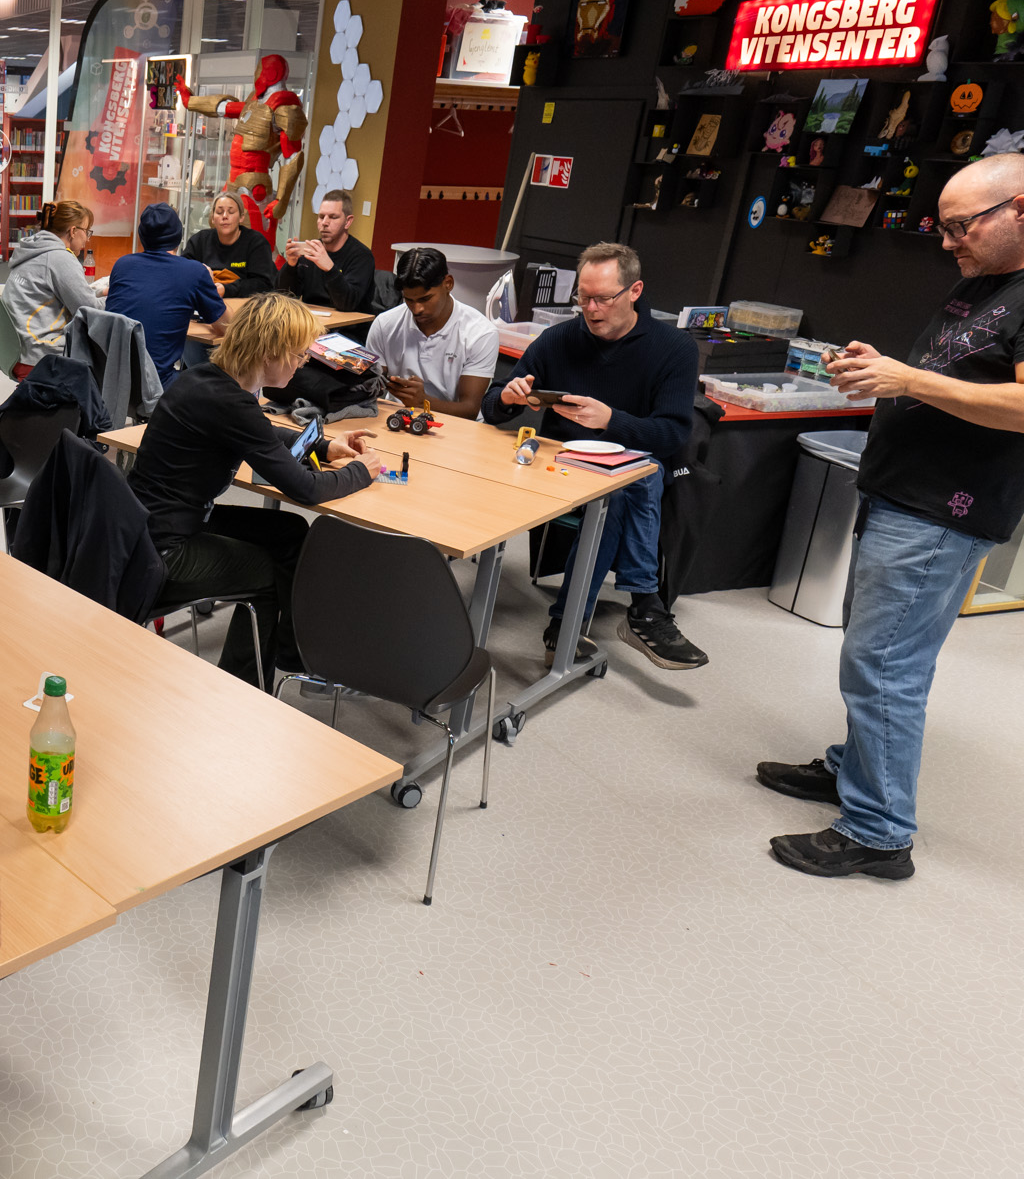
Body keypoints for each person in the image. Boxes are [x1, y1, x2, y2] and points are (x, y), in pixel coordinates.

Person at [757, 154, 1024, 880]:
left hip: (942, 512)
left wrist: (909, 379)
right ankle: (853, 769)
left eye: (962, 226)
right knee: (876, 654)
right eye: (944, 227)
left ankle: (878, 831)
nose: (948, 241)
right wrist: (886, 370)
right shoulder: (986, 281)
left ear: (1019, 208)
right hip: (902, 494)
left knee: (884, 665)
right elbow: (954, 379)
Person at [129, 294, 381, 689]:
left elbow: (259, 432)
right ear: (268, 353)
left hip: (151, 523)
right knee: (266, 575)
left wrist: (323, 445)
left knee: (289, 532)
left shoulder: (206, 379)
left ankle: (292, 652)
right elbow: (306, 488)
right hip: (162, 550)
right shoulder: (230, 402)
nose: (302, 364)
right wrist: (359, 472)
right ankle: (243, 690)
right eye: (298, 355)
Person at [482, 241, 707, 670]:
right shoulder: (558, 339)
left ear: (634, 291)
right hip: (557, 466)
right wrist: (509, 398)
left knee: (625, 486)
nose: (590, 309)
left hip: (628, 472)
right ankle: (645, 606)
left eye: (602, 298)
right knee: (628, 486)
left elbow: (673, 435)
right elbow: (492, 407)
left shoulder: (674, 348)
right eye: (582, 298)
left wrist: (610, 421)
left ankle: (566, 623)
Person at [368, 246, 500, 420]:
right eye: (409, 300)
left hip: (456, 425)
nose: (417, 309)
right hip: (397, 416)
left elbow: (470, 410)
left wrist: (423, 401)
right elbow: (371, 384)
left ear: (448, 284)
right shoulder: (385, 324)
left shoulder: (480, 333)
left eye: (425, 299)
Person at [105, 203, 230, 384]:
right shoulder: (194, 272)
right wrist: (210, 285)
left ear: (142, 236)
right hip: (156, 385)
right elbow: (226, 327)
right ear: (179, 236)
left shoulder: (122, 265)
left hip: (112, 383)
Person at [3, 199, 100, 365]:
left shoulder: (33, 249)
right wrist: (117, 296)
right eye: (86, 231)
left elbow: (69, 293)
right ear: (73, 231)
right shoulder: (60, 258)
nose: (87, 239)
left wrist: (99, 292)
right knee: (105, 352)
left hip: (17, 349)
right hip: (42, 354)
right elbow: (90, 309)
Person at [275, 190, 377, 312]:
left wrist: (329, 268)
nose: (324, 223)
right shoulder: (311, 250)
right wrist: (291, 266)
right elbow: (283, 297)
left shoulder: (362, 256)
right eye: (321, 217)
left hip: (349, 322)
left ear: (348, 222)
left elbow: (347, 304)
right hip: (313, 320)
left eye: (333, 217)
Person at [183, 192, 277, 296]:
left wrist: (226, 289)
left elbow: (263, 284)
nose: (225, 216)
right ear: (213, 218)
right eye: (219, 212)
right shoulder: (199, 240)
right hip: (204, 299)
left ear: (241, 217)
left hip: (244, 304)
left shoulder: (256, 243)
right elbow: (183, 272)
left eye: (231, 212)